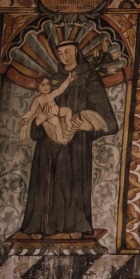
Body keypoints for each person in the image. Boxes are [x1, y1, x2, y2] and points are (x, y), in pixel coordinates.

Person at [17, 40, 119, 239]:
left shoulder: (90, 78)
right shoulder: (53, 81)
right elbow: (37, 112)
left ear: (77, 52)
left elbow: (109, 120)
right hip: (48, 143)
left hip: (77, 143)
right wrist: (38, 122)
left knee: (72, 182)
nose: (64, 56)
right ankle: (39, 227)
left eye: (68, 51)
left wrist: (88, 125)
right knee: (45, 183)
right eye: (60, 53)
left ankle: (76, 225)